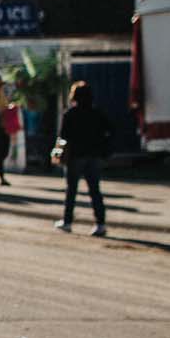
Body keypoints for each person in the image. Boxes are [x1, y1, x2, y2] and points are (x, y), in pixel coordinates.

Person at [55, 80, 114, 237]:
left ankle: (67, 222)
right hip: (93, 156)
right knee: (95, 190)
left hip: (75, 156)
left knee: (71, 190)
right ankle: (100, 224)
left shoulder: (70, 114)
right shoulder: (97, 113)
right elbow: (109, 130)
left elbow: (63, 136)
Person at [0, 71, 17, 187]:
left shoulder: (2, 94)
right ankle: (0, 176)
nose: (0, 86)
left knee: (3, 152)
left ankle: (0, 175)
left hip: (4, 127)